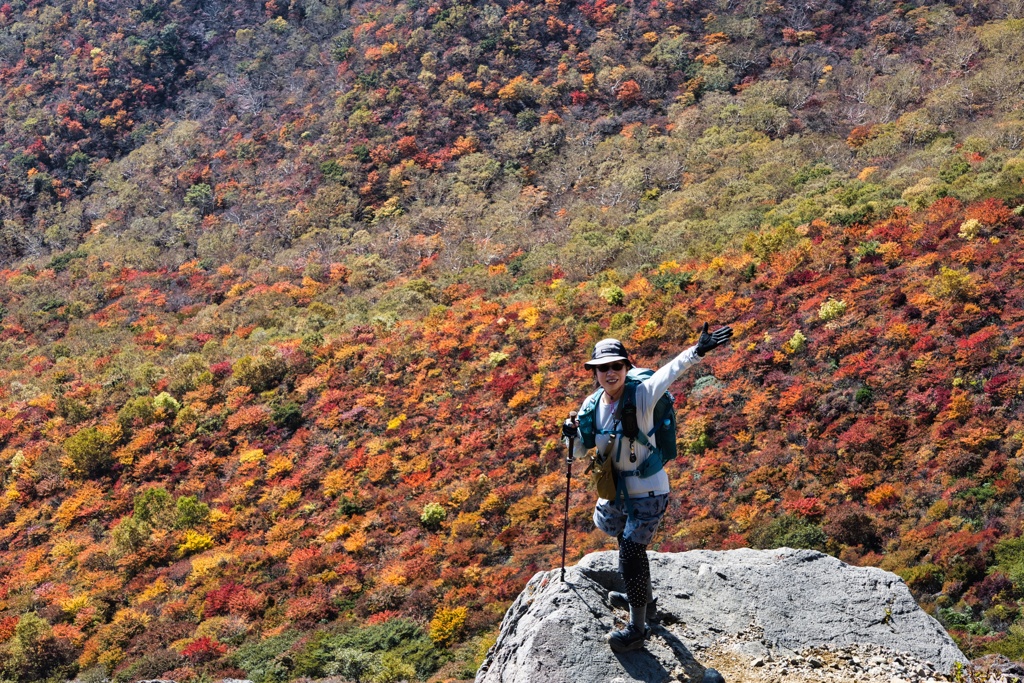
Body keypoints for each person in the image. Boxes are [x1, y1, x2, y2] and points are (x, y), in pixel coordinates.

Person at [563, 323, 733, 653]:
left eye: (616, 366)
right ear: (594, 372)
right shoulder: (591, 405)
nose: (610, 373)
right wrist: (569, 435)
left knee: (630, 553)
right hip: (615, 491)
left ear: (626, 367)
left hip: (649, 491)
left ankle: (637, 628)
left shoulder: (642, 394)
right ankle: (643, 598)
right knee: (626, 549)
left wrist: (698, 351)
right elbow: (581, 450)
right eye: (603, 368)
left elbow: (671, 371)